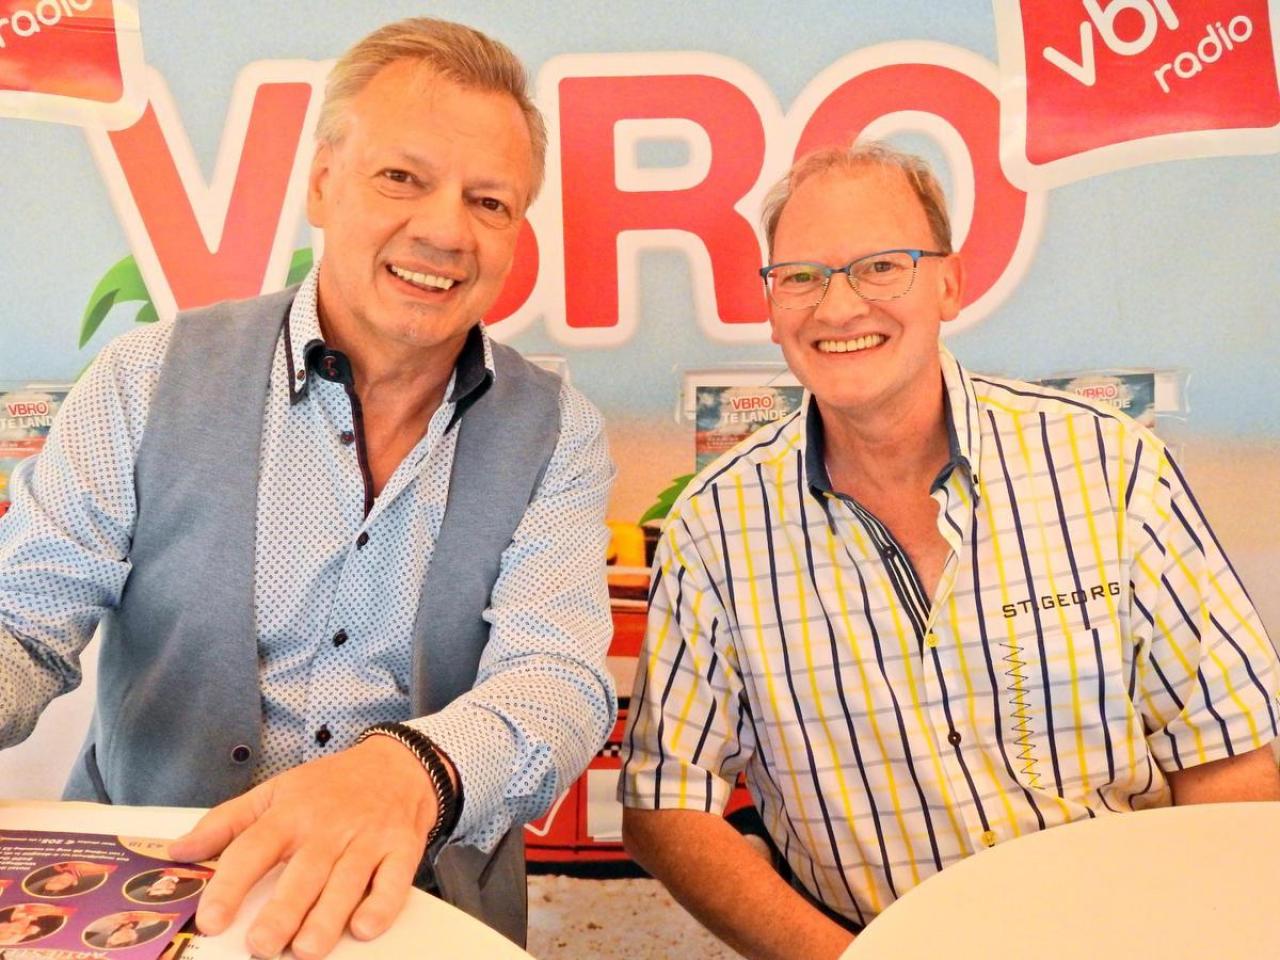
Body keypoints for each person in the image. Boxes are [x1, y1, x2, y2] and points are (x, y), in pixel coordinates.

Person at [0, 16, 615, 960]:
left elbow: (558, 678)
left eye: (489, 201)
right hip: (146, 899)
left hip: (412, 915)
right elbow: (22, 622)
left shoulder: (558, 430)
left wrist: (411, 770)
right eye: (401, 177)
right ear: (323, 181)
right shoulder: (145, 376)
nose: (445, 229)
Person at [619, 142, 1280, 960]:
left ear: (950, 283)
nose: (837, 306)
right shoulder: (714, 528)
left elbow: (1224, 756)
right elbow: (665, 804)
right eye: (801, 276)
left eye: (880, 267)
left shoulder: (1109, 467)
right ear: (771, 303)